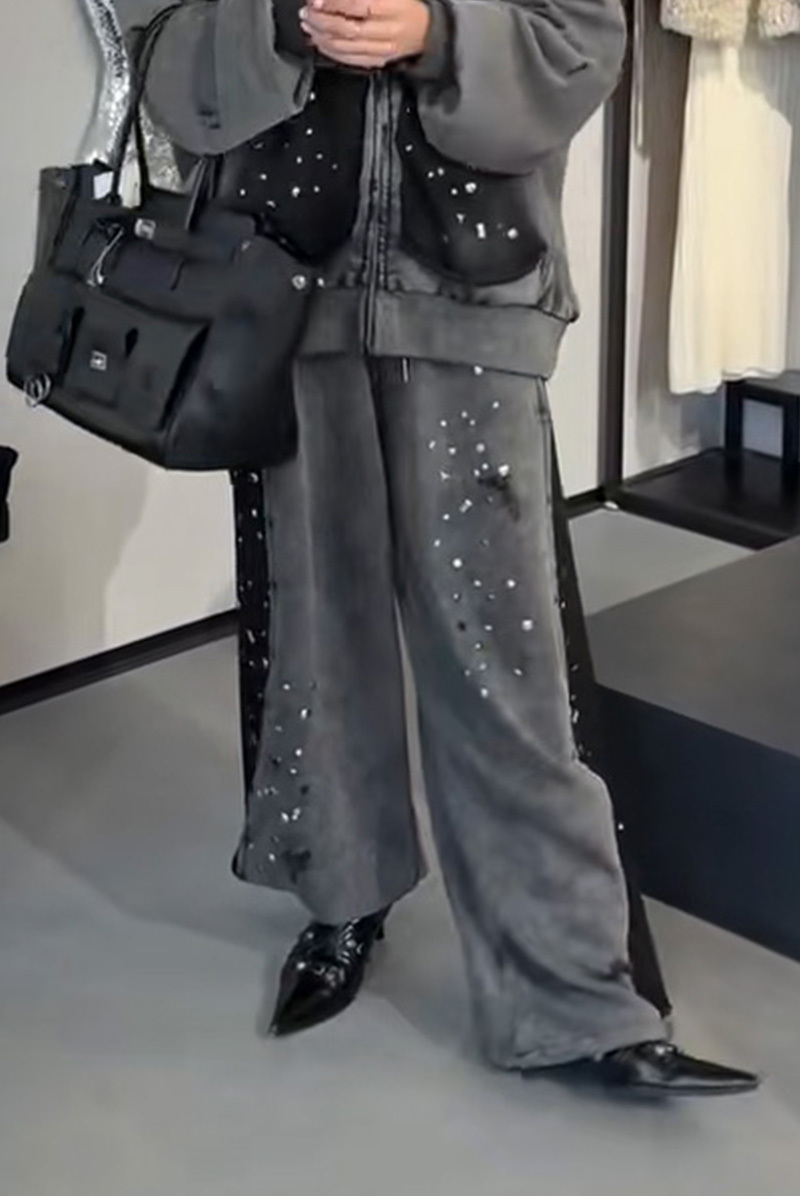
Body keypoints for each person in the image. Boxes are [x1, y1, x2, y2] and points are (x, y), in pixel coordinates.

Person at [117, 0, 758, 1095]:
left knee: (503, 657)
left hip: (474, 291)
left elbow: (583, 43)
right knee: (315, 630)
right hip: (279, 289)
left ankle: (572, 995)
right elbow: (159, 50)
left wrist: (437, 31)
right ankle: (341, 901)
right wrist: (278, 23)